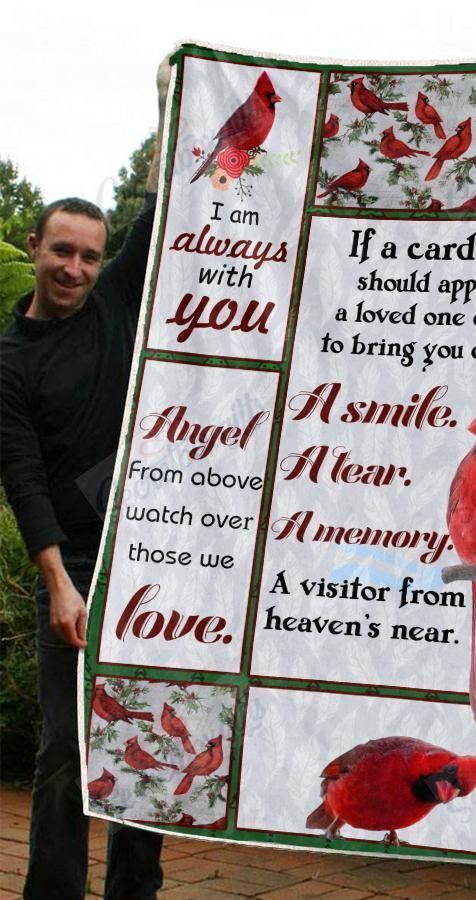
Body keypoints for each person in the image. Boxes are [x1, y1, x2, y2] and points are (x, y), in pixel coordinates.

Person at [0, 57, 171, 899]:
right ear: (34, 247)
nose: (74, 269)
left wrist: (167, 108)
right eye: (60, 251)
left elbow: (160, 211)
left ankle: (136, 890)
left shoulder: (111, 303)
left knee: (146, 731)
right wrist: (59, 585)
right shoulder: (6, 362)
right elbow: (23, 482)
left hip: (147, 557)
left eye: (89, 257)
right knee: (65, 749)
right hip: (69, 565)